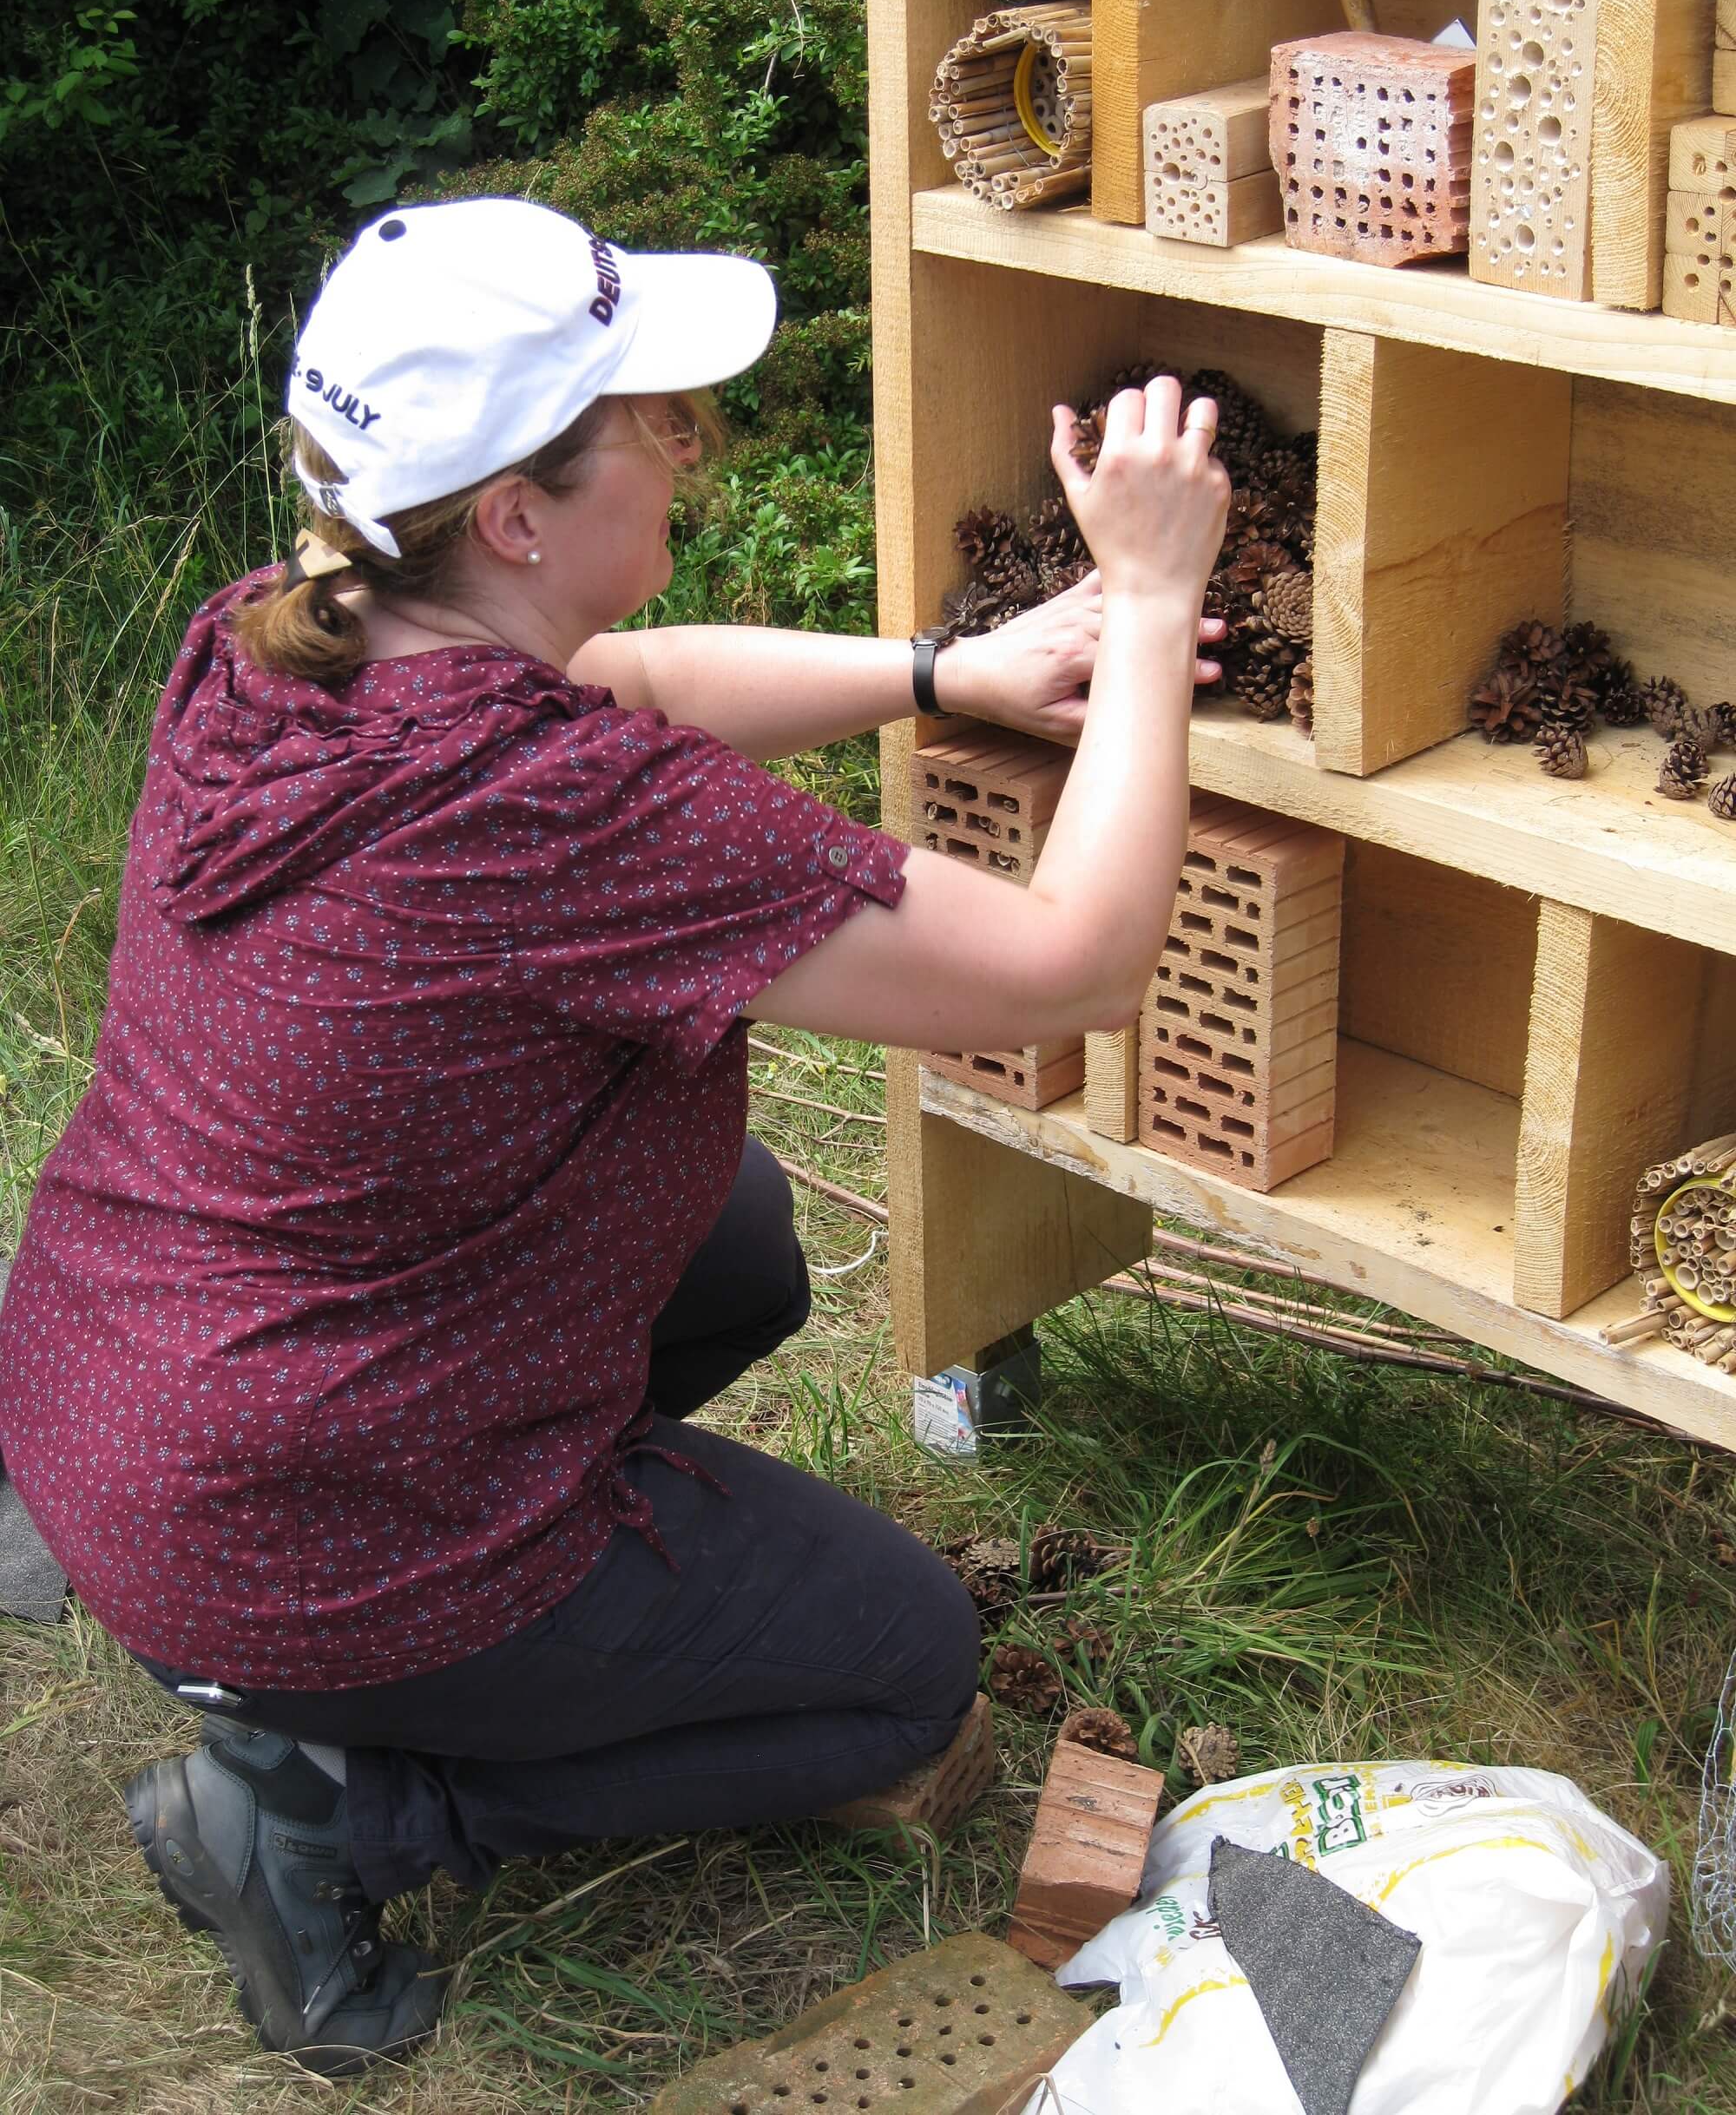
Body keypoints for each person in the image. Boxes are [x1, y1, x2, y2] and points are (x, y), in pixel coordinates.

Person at [0, 200, 1229, 2073]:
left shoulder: (287, 634)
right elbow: (1070, 961)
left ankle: (365, 1631)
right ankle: (335, 1805)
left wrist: (936, 672)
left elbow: (632, 684)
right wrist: (1144, 601)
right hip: (292, 1518)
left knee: (733, 1234)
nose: (678, 444)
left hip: (122, 1390)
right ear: (513, 515)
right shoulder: (565, 816)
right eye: (646, 419)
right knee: (904, 1674)